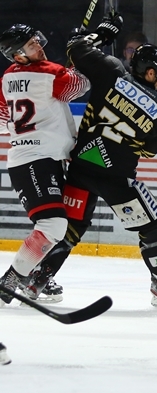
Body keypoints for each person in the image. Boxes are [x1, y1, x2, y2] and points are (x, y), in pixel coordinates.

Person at [33, 12, 157, 309]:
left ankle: (38, 277)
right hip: (117, 179)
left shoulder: (111, 70)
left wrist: (103, 34)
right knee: (154, 225)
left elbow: (74, 48)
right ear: (150, 71)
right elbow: (150, 150)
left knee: (68, 229)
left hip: (80, 169)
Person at [0, 23, 90, 304]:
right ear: (18, 55)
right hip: (36, 162)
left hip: (36, 160)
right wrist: (81, 50)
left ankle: (29, 274)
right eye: (30, 45)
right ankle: (10, 282)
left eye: (35, 40)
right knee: (53, 226)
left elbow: (3, 122)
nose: (38, 45)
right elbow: (81, 85)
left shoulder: (6, 77)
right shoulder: (49, 73)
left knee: (54, 225)